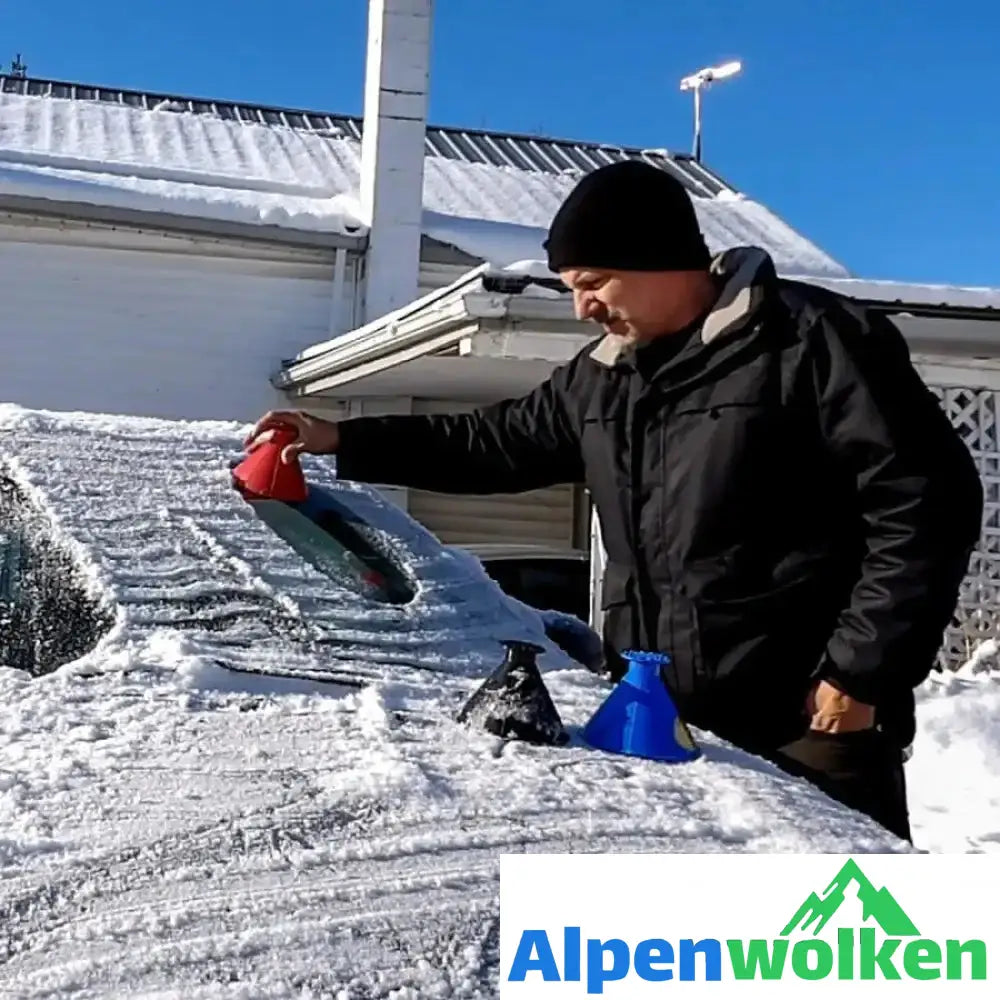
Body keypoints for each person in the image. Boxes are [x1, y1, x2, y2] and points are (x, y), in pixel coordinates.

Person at [246, 160, 983, 842]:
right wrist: (342, 439)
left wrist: (857, 676)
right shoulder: (602, 379)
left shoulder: (812, 344)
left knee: (826, 942)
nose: (582, 307)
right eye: (571, 285)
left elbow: (926, 507)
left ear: (660, 260)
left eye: (594, 281)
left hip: (808, 723)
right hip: (660, 720)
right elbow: (490, 443)